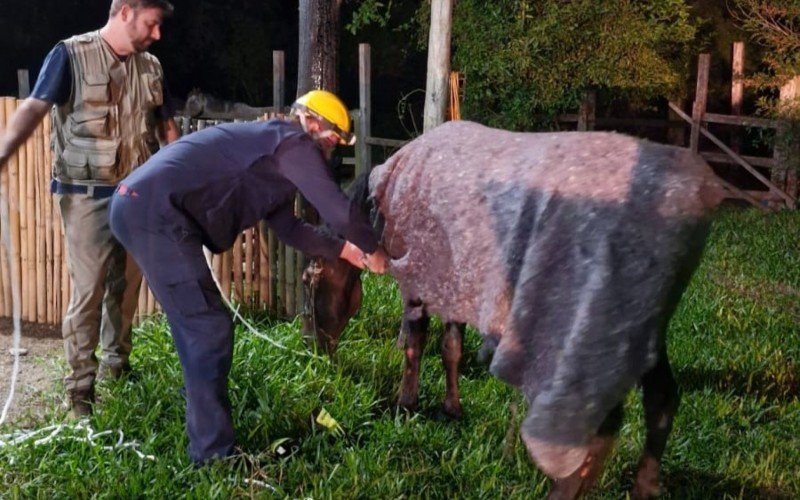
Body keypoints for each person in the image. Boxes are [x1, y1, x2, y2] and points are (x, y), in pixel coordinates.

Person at [108, 89, 389, 464]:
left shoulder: (275, 154)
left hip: (141, 205)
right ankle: (212, 454)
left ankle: (199, 407)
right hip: (154, 211)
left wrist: (345, 251)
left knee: (196, 320)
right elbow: (340, 212)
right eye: (332, 137)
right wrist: (375, 248)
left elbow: (288, 228)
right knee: (208, 326)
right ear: (311, 122)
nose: (333, 148)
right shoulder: (293, 142)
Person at [0, 0, 179, 417]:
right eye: (152, 24)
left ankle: (118, 365)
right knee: (89, 291)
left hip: (136, 197)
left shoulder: (150, 66)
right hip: (86, 196)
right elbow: (34, 108)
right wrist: (4, 154)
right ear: (127, 11)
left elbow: (166, 126)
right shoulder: (70, 55)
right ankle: (81, 389)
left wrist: (178, 178)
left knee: (127, 286)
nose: (158, 35)